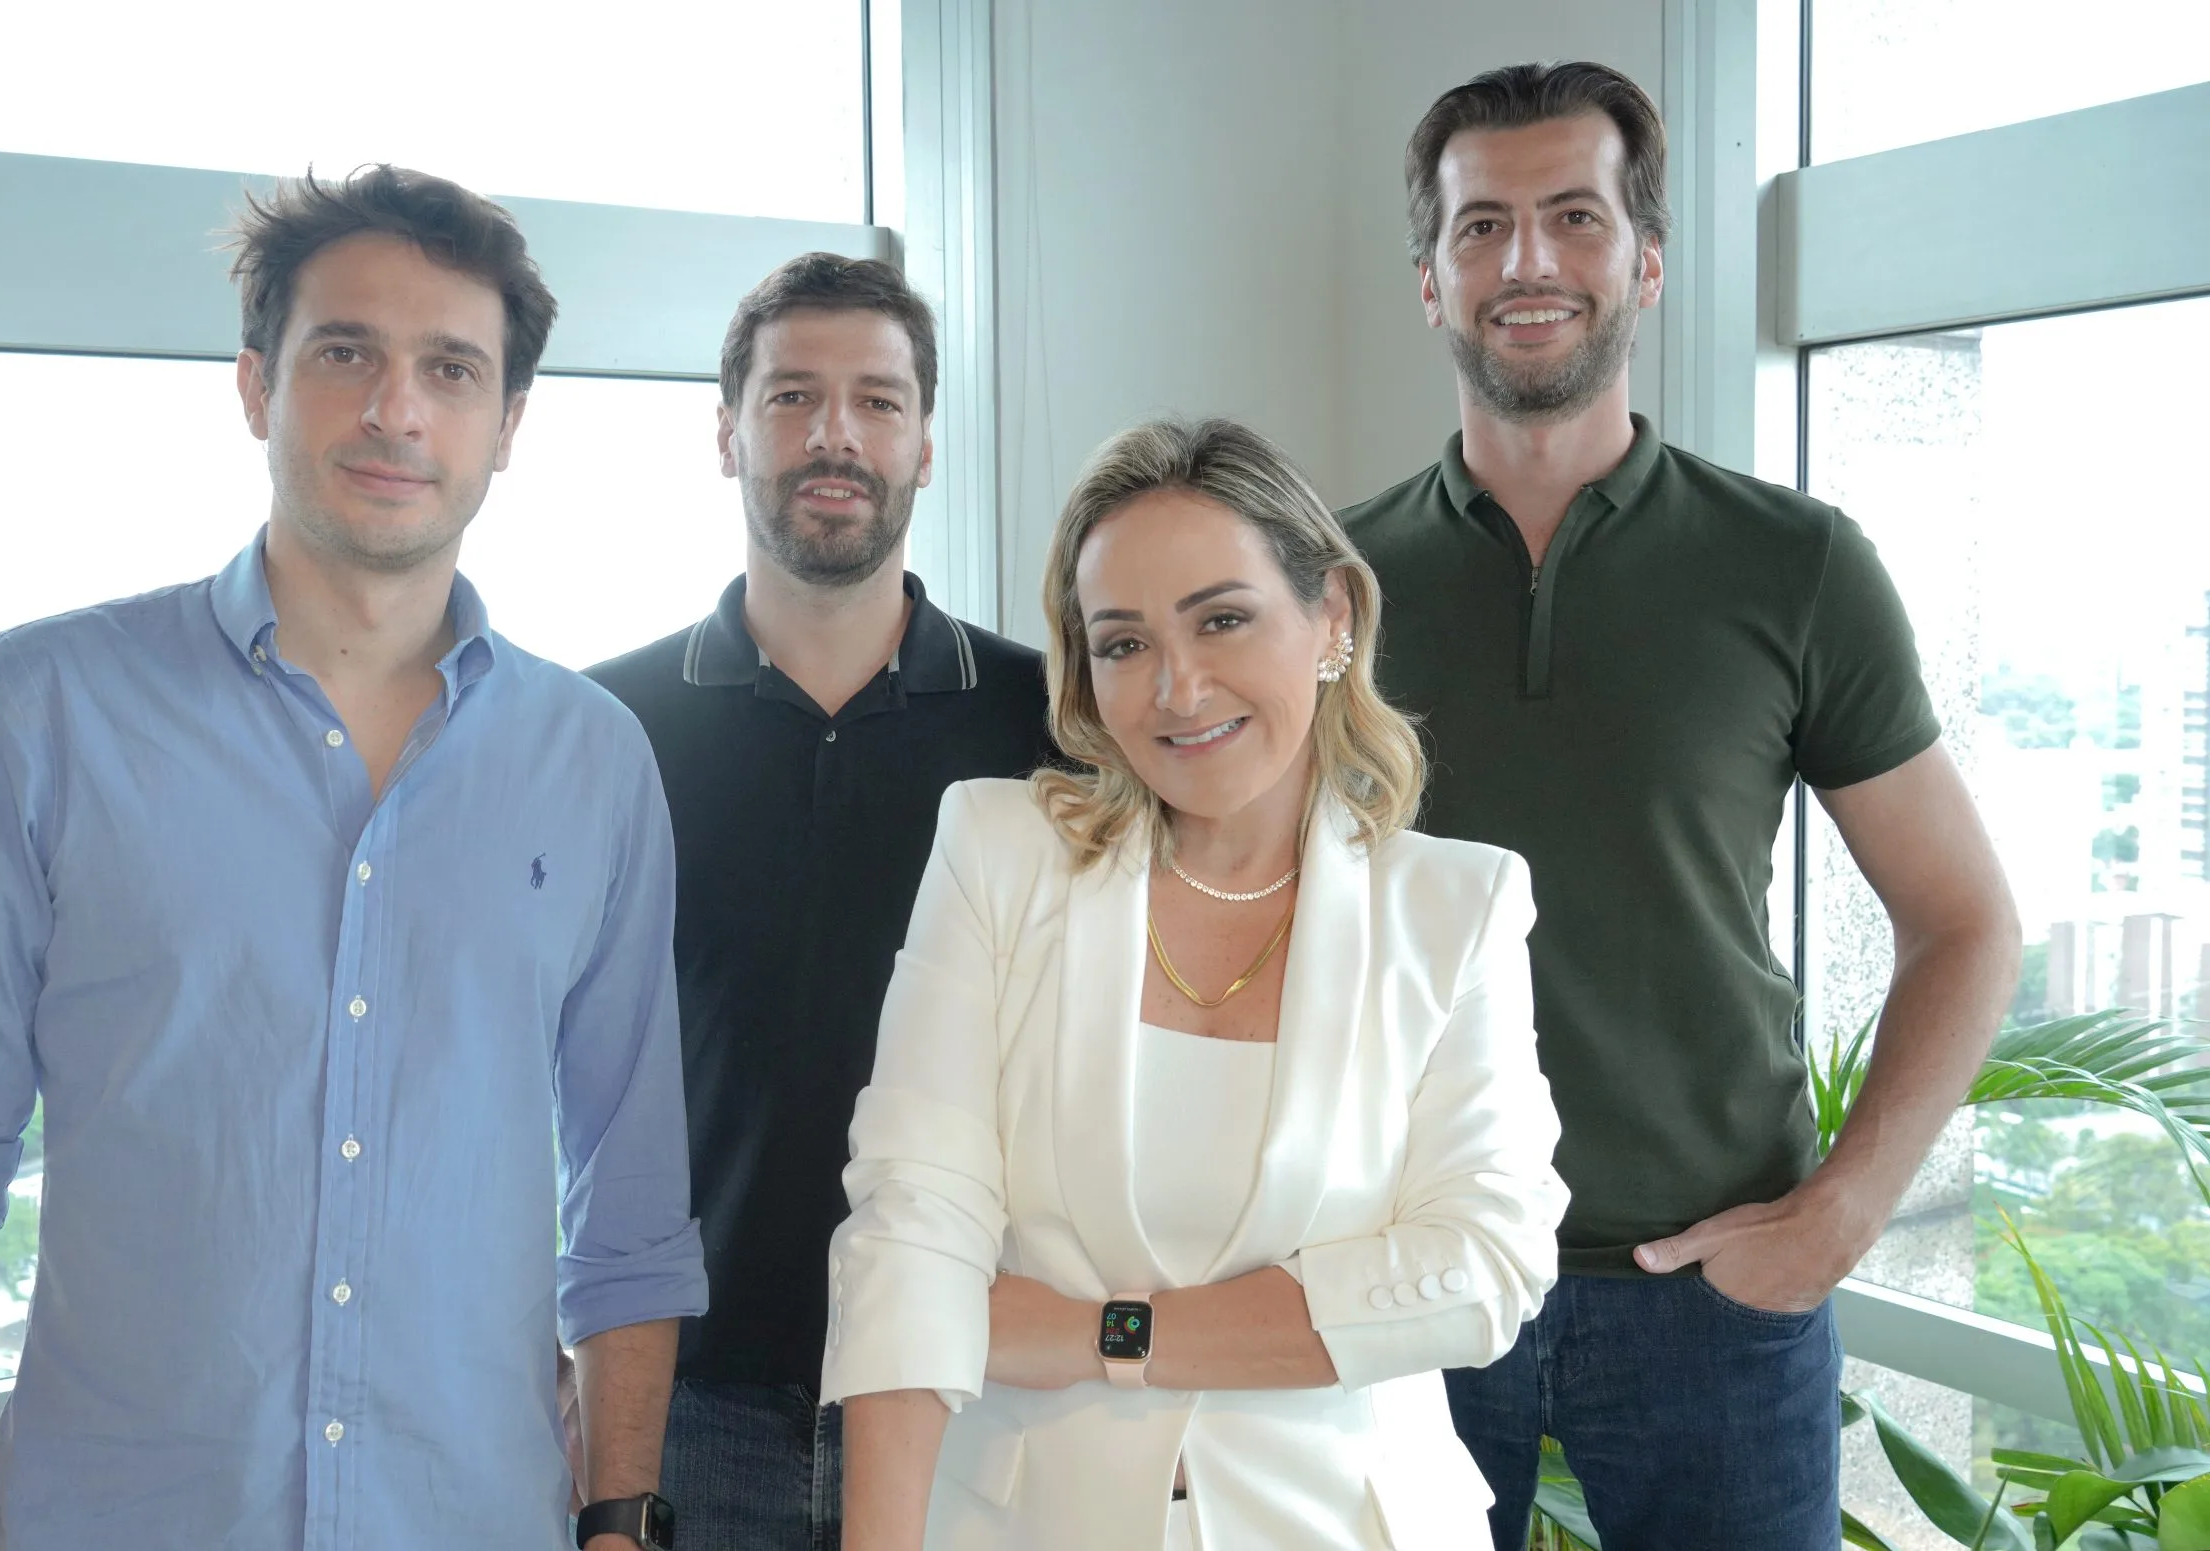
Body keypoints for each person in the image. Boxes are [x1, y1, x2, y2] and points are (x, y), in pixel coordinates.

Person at [0, 165, 704, 1551]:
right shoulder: (33, 712)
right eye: (344, 351)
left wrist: (616, 1516)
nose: (396, 408)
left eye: (451, 368)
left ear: (508, 422)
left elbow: (630, 1192)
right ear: (256, 385)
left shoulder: (593, 759)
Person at [1339, 61, 2021, 1549]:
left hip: (1711, 1299)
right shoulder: (1325, 584)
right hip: (1399, 1273)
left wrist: (1844, 1212)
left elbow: (1965, 922)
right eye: (1483, 228)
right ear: (1429, 279)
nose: (1527, 262)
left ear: (1645, 260)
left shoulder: (1797, 564)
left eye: (1575, 217)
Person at [823, 417, 1569, 1550]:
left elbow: (1483, 1268)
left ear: (1332, 619)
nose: (1177, 687)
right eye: (1122, 642)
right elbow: (911, 1233)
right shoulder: (996, 850)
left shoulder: (1454, 911)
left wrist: (1104, 1336)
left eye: (1223, 619)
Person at [588, 252, 1054, 1549]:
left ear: (926, 442)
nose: (834, 433)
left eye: (878, 400)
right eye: (792, 396)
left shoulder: (1053, 723)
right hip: (694, 1404)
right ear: (727, 430)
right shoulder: (604, 726)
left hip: (979, 1382)